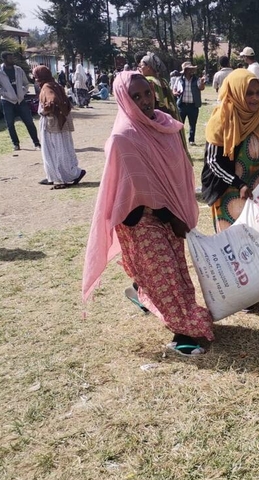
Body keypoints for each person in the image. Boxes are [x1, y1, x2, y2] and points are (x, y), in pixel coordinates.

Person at [82, 71, 214, 356]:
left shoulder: (165, 126)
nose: (144, 101)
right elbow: (131, 189)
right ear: (123, 100)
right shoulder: (122, 138)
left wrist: (175, 208)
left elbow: (178, 170)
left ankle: (142, 291)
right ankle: (183, 334)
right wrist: (163, 209)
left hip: (169, 214)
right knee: (166, 274)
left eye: (147, 94)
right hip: (138, 218)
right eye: (136, 97)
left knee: (175, 271)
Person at [201, 69, 259, 232]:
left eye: (257, 92)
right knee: (234, 242)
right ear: (236, 93)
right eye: (249, 93)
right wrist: (239, 185)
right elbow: (213, 162)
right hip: (229, 189)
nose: (255, 98)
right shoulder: (222, 118)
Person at [32, 65, 86, 189]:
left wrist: (45, 110)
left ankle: (62, 177)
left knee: (54, 150)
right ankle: (55, 176)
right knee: (63, 147)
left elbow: (52, 100)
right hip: (61, 121)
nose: (35, 79)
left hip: (52, 123)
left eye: (36, 77)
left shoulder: (46, 87)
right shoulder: (55, 85)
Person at [138, 52, 189, 156]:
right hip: (168, 120)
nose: (140, 68)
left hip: (155, 123)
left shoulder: (147, 82)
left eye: (142, 65)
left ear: (149, 68)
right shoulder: (163, 81)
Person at [0, 52, 40, 152]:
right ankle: (16, 144)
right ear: (4, 60)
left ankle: (36, 143)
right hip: (7, 101)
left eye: (13, 58)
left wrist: (22, 92)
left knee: (29, 122)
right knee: (10, 124)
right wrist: (4, 93)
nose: (13, 60)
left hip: (20, 100)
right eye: (10, 58)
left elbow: (26, 84)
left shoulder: (18, 70)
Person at [173, 61, 204, 146]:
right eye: (189, 69)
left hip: (193, 106)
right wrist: (175, 93)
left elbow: (201, 88)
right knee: (180, 124)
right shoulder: (179, 79)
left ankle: (191, 140)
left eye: (192, 69)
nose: (191, 71)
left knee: (192, 124)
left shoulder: (197, 79)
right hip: (182, 105)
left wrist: (202, 83)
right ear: (185, 70)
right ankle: (179, 140)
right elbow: (174, 89)